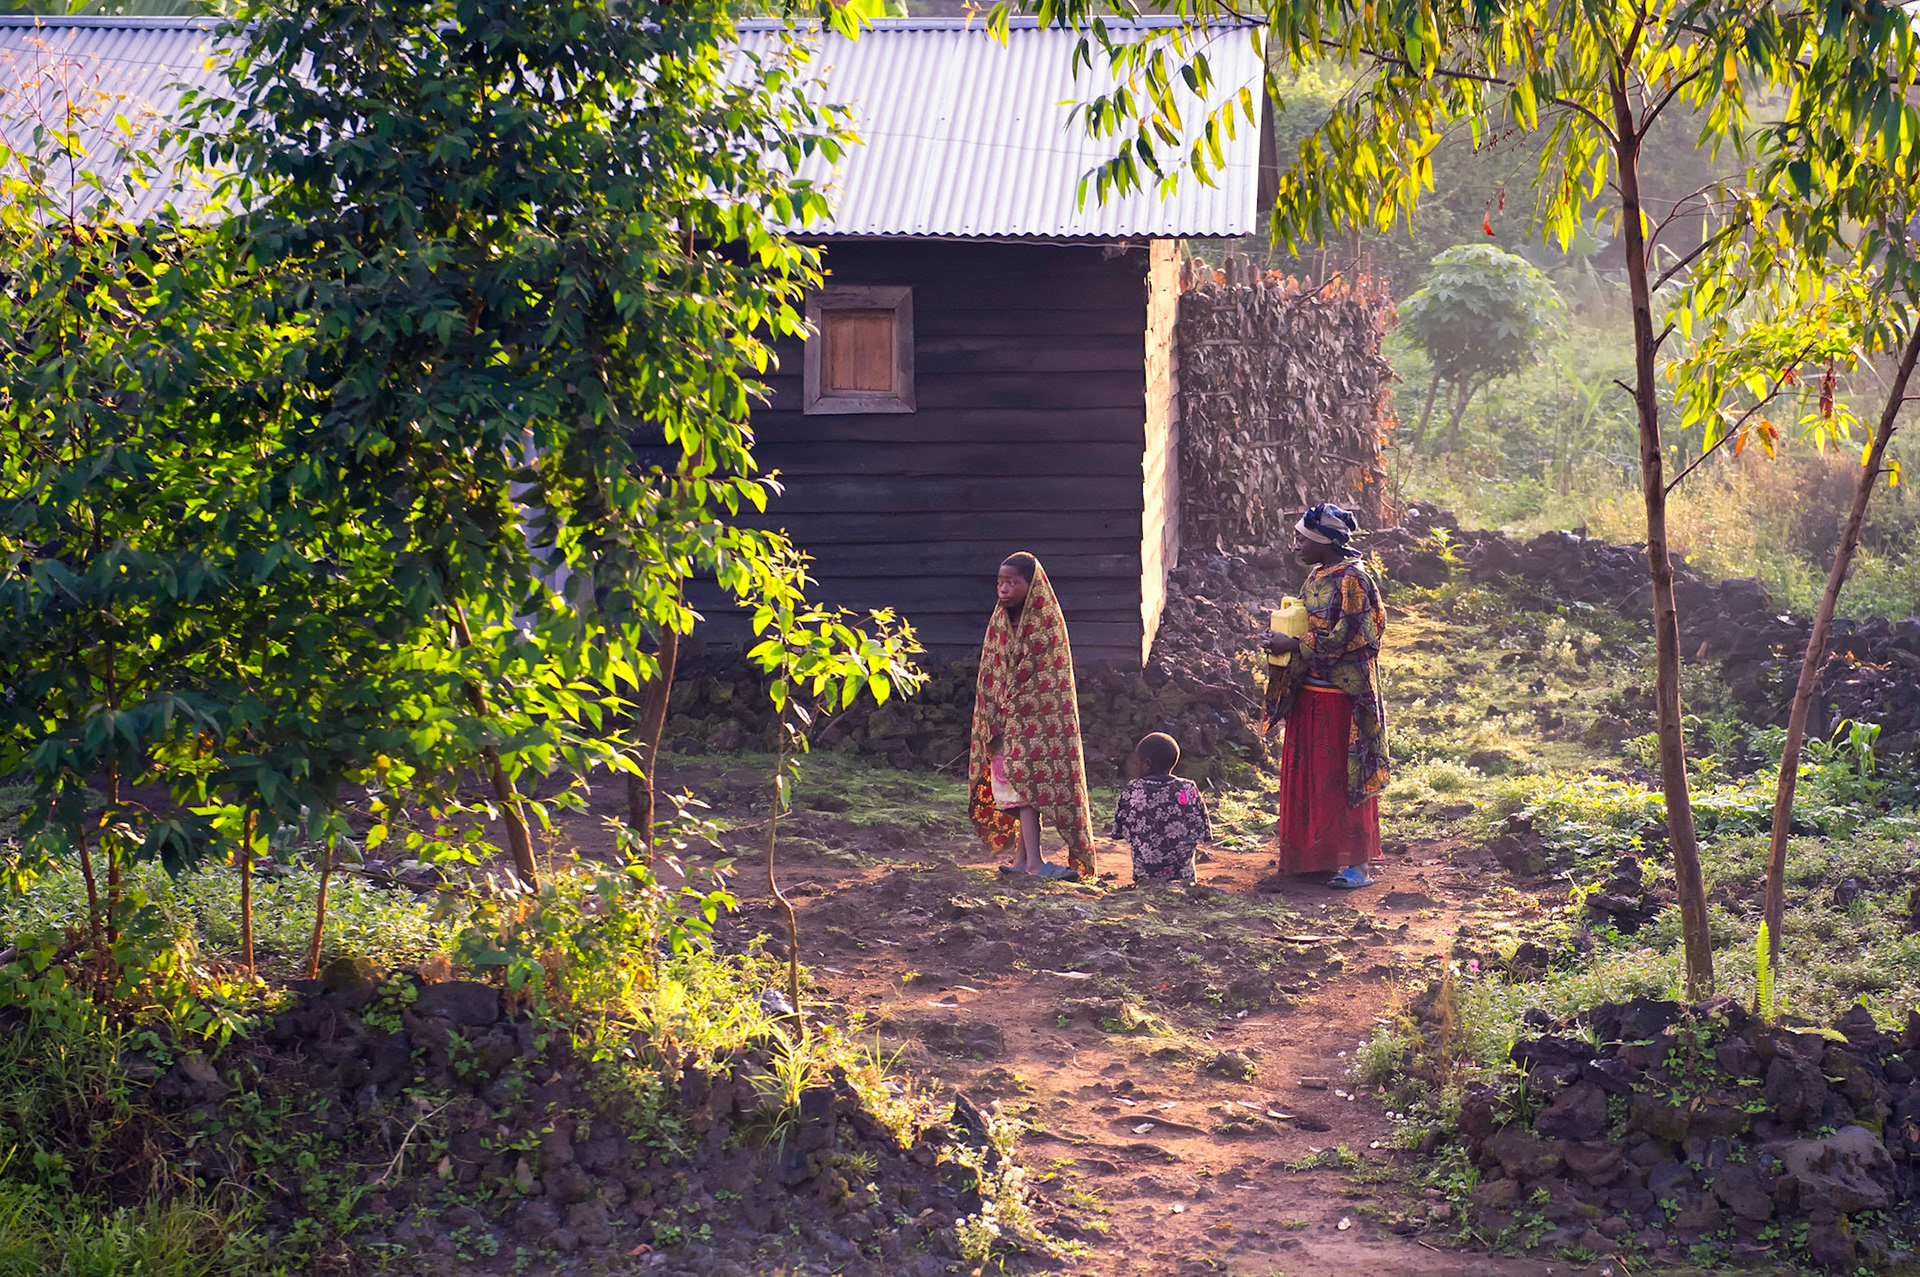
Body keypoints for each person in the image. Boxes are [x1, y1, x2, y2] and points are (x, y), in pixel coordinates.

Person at [1260, 503, 1388, 888]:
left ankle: (1358, 866)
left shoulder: (1355, 580)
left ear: (1323, 542)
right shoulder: (1318, 575)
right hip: (1310, 693)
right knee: (1314, 777)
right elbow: (1306, 623)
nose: (1295, 544)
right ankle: (1314, 856)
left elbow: (1357, 638)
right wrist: (1281, 642)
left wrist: (1296, 644)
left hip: (1340, 696)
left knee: (1343, 776)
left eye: (1301, 538)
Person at [968, 552, 1095, 880]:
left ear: (1031, 584)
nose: (1004, 589)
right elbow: (993, 670)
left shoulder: (1046, 624)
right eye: (1000, 582)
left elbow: (1044, 676)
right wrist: (998, 709)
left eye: (1012, 582)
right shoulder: (999, 622)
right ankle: (1022, 860)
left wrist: (1018, 705)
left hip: (1037, 722)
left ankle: (1034, 862)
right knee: (1015, 791)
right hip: (1004, 722)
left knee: (1027, 789)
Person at [1113, 732, 1209, 885]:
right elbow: (1202, 829)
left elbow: (1120, 830)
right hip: (1183, 877)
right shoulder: (1188, 788)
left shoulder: (1135, 789)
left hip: (1146, 877)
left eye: (1138, 762)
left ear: (1147, 764)